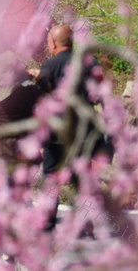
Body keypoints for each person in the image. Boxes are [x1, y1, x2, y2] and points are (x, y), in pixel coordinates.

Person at [28, 24, 113, 230]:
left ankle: (47, 221)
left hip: (57, 133)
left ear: (54, 43)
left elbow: (42, 98)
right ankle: (85, 222)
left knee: (51, 176)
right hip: (84, 131)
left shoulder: (50, 66)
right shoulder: (88, 62)